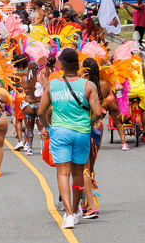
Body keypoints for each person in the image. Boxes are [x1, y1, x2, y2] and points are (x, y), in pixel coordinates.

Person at [38, 49, 101, 229]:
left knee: (63, 173)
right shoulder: (88, 86)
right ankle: (76, 210)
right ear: (78, 65)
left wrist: (47, 127)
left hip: (59, 133)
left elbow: (41, 111)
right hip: (82, 132)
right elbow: (97, 112)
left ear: (62, 65)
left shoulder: (52, 85)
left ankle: (69, 215)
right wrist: (88, 124)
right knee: (78, 174)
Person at [80, 58, 104, 219]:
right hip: (98, 126)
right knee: (91, 167)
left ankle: (87, 204)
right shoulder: (102, 85)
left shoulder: (82, 86)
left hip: (86, 125)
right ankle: (89, 201)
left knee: (83, 168)